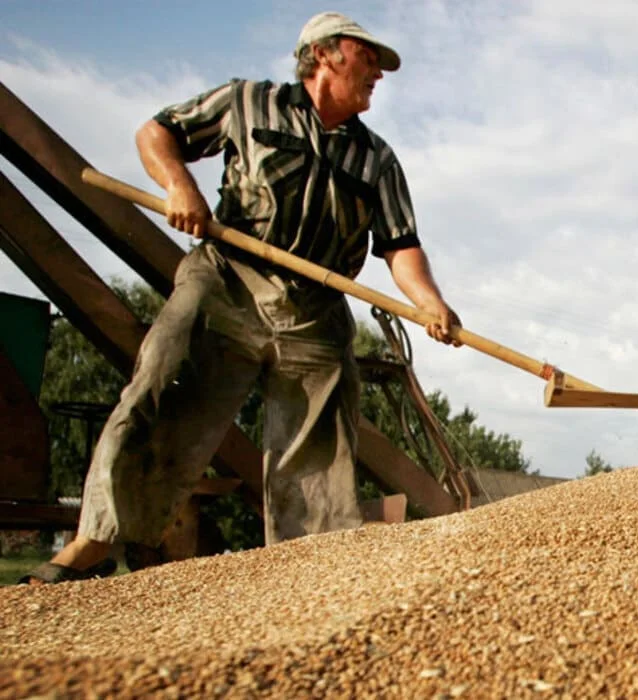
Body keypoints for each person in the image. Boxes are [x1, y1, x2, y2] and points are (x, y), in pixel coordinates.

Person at [22, 12, 461, 584]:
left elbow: (401, 247)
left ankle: (309, 569)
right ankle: (98, 541)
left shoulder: (376, 159)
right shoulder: (247, 102)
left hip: (314, 306)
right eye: (368, 56)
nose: (378, 71)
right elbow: (156, 133)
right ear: (325, 54)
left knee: (319, 445)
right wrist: (180, 185)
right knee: (163, 386)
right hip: (228, 280)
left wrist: (430, 303)